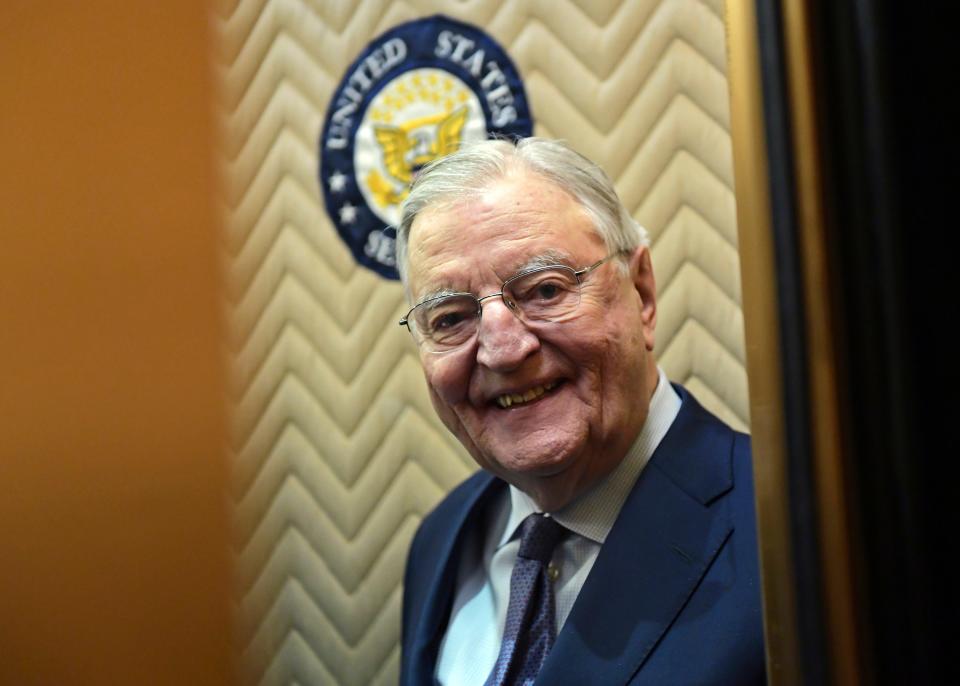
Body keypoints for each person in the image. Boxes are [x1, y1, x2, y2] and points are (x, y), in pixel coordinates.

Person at [396, 137, 765, 685]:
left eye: (545, 289)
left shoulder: (782, 528)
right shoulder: (443, 538)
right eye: (450, 319)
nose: (502, 349)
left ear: (641, 294)